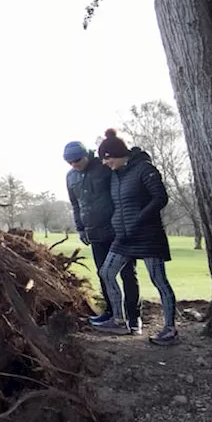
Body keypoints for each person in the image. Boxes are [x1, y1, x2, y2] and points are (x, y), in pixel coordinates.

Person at [94, 128, 180, 346]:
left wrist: (139, 219)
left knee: (159, 281)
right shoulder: (115, 175)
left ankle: (170, 330)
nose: (106, 164)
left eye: (108, 159)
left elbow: (160, 198)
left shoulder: (145, 169)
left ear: (118, 154)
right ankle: (120, 321)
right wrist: (116, 221)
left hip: (148, 235)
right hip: (123, 237)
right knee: (106, 272)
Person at [63, 141, 141, 332]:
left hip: (117, 230)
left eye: (77, 160)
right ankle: (112, 312)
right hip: (94, 232)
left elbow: (122, 190)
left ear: (86, 155)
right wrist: (81, 228)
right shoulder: (70, 177)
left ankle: (134, 316)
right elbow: (75, 205)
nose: (74, 164)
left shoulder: (104, 167)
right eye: (70, 162)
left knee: (128, 273)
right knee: (103, 274)